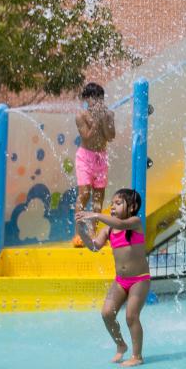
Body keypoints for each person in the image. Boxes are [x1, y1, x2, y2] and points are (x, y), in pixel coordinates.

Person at [76, 188, 149, 367]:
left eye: (118, 203)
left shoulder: (135, 222)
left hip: (139, 279)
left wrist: (96, 215)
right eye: (112, 204)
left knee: (131, 316)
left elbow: (121, 225)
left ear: (132, 207)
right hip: (120, 281)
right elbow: (94, 247)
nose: (113, 207)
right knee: (107, 313)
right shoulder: (109, 230)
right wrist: (81, 230)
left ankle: (137, 356)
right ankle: (121, 345)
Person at [73, 83, 116, 247]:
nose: (96, 102)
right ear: (86, 99)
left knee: (98, 197)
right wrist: (97, 121)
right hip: (85, 158)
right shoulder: (81, 116)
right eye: (92, 99)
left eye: (99, 98)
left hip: (101, 158)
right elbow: (87, 137)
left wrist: (105, 119)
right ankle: (79, 233)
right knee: (84, 194)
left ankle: (93, 233)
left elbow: (110, 136)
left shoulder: (109, 114)